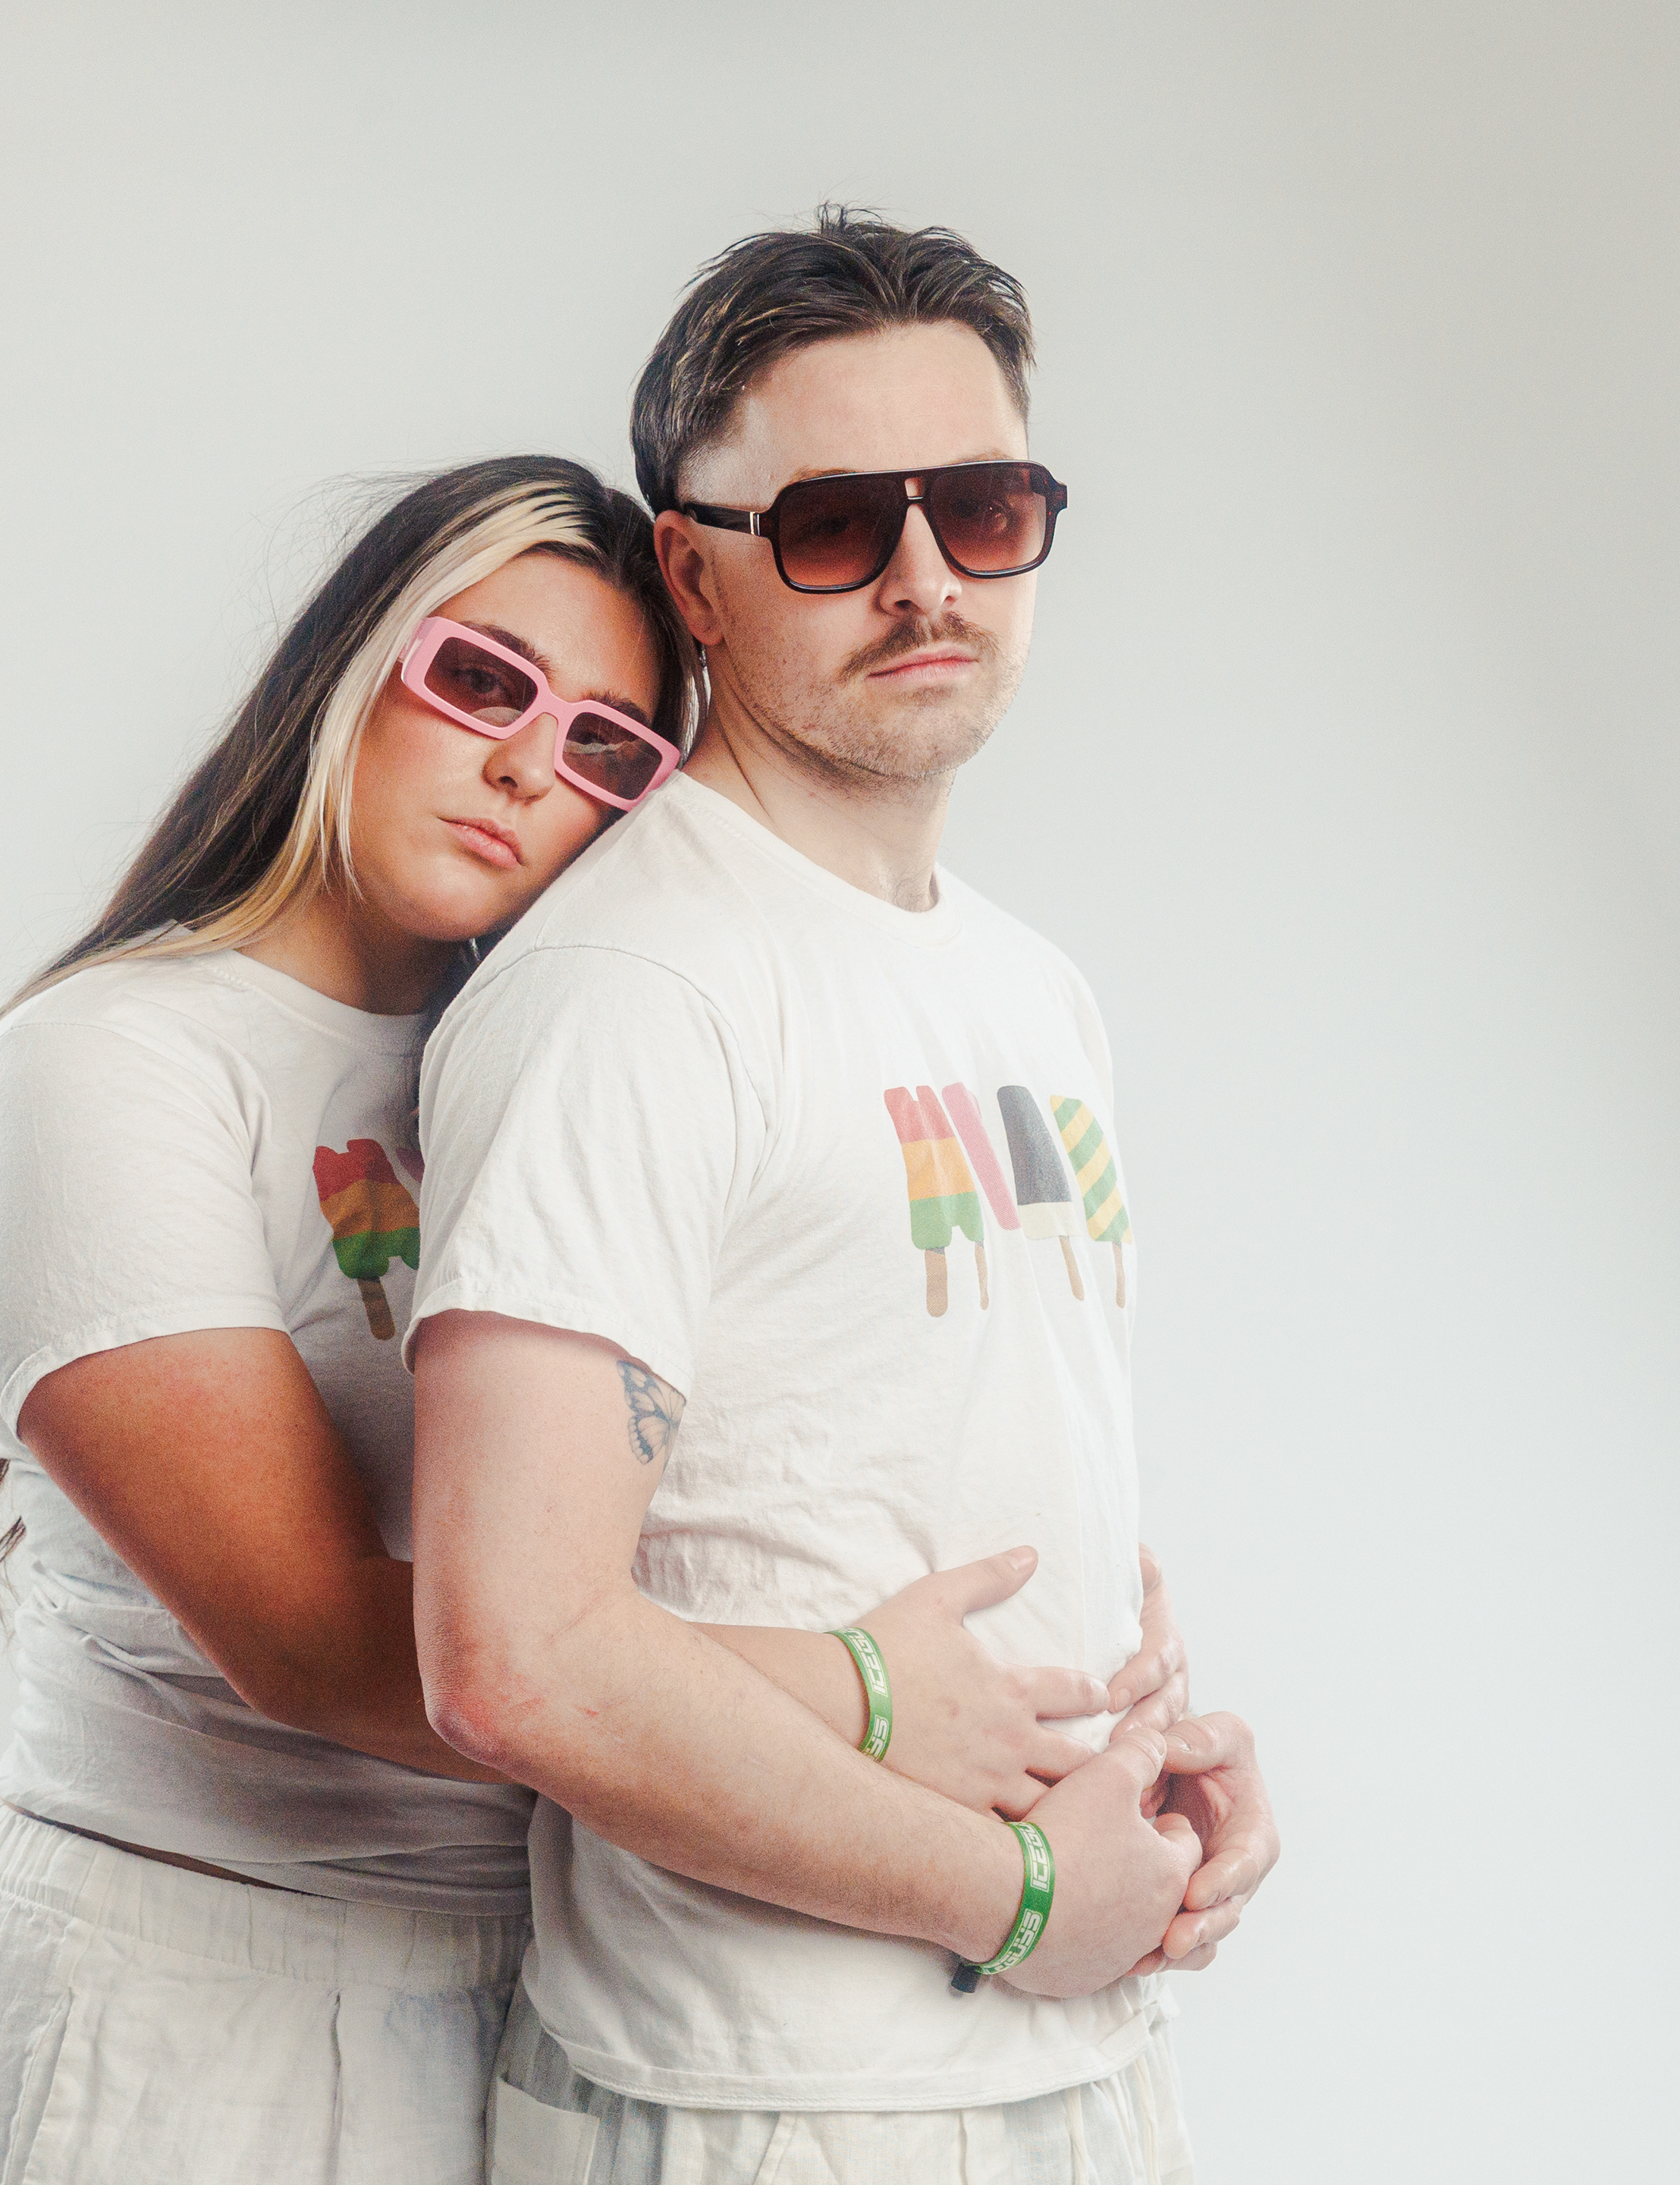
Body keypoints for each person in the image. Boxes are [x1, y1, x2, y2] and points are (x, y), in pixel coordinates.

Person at [0, 454, 1190, 2185]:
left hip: (536, 1991)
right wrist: (866, 1698)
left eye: (604, 749)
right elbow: (324, 1643)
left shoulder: (547, 1061)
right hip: (186, 1992)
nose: (524, 767)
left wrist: (1107, 1745)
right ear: (349, 666)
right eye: (484, 681)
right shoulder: (111, 1069)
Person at [407, 215, 1282, 2183]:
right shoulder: (628, 993)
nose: (923, 579)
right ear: (690, 576)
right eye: (830, 525)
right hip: (764, 2103)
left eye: (982, 509)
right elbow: (514, 1655)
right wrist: (1023, 1901)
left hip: (1075, 2068)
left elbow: (925, 1460)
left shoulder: (1029, 985)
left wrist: (1152, 1766)